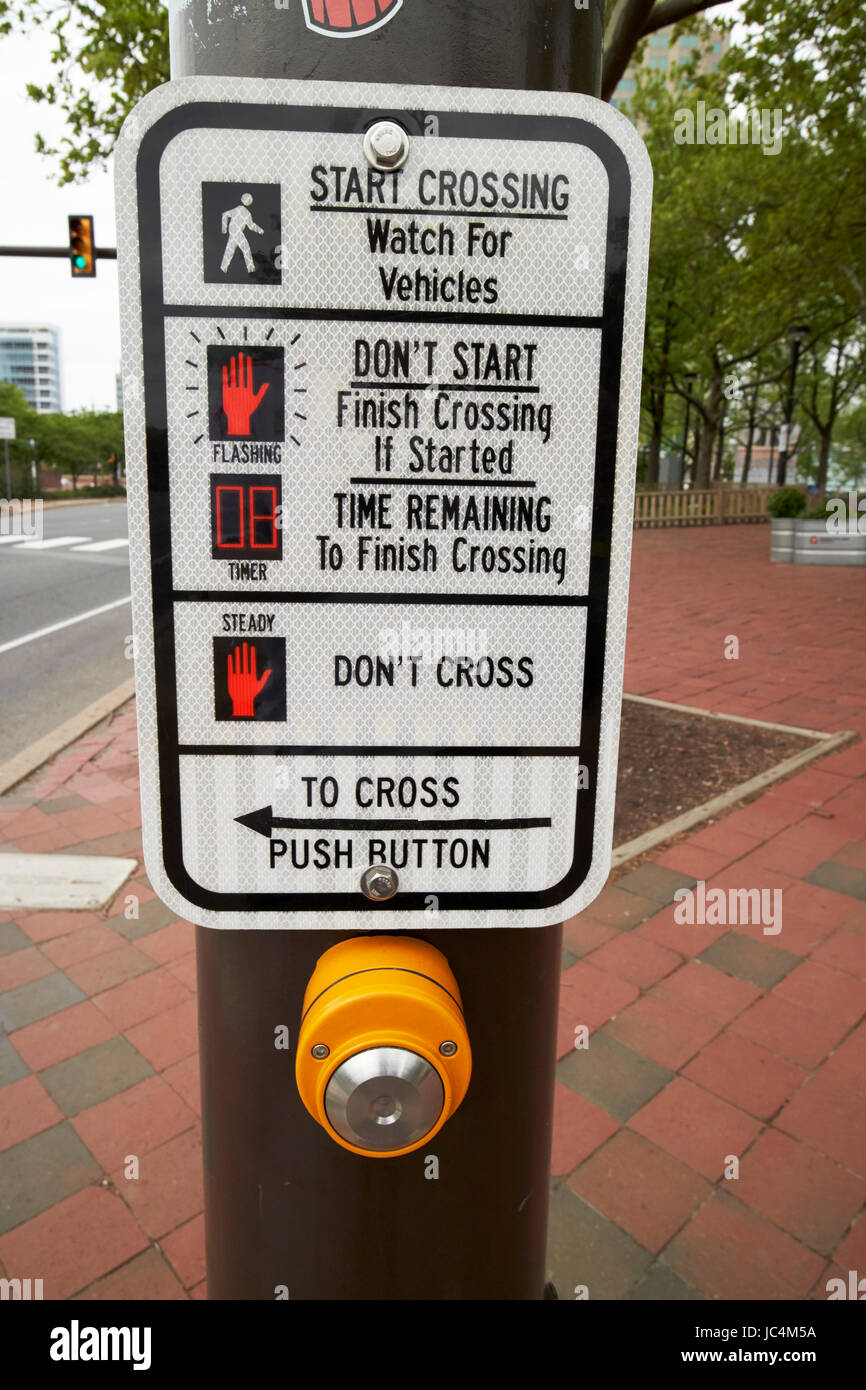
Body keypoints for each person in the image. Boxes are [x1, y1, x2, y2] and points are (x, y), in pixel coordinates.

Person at [220, 193, 264, 275]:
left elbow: (224, 214)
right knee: (246, 250)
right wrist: (260, 230)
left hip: (233, 233)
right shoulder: (246, 213)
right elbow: (251, 226)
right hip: (237, 233)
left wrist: (224, 229)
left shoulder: (237, 209)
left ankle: (223, 268)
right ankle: (251, 270)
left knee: (229, 251)